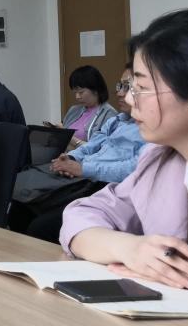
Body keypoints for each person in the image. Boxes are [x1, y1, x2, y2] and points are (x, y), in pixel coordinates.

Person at [62, 8, 188, 308]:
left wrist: (170, 266)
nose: (129, 99)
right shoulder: (161, 159)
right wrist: (130, 249)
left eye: (142, 88)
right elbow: (79, 218)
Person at [9, 64, 145, 242]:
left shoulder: (139, 126)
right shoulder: (117, 121)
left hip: (103, 183)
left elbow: (133, 168)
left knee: (41, 226)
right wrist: (71, 157)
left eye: (128, 87)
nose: (120, 93)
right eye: (120, 86)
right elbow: (92, 145)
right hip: (85, 176)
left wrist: (82, 168)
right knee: (20, 207)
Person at [54, 65, 116, 149]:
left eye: (81, 92)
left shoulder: (109, 114)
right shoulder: (74, 110)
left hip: (85, 157)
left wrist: (69, 136)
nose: (77, 97)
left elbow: (100, 149)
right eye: (75, 92)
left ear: (96, 89)